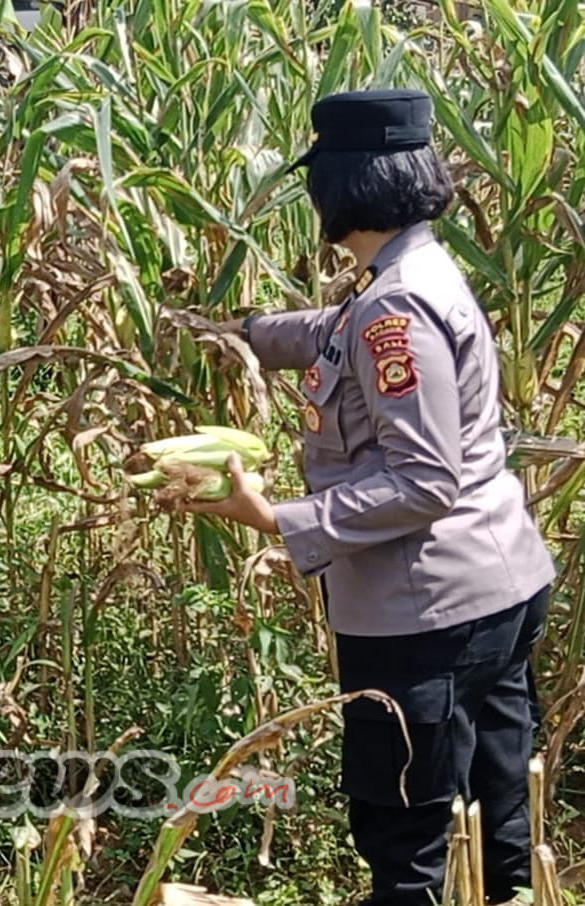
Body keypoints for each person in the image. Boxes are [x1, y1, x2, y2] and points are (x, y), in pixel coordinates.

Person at [176, 89, 556, 905]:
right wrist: (241, 337)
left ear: (344, 185)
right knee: (497, 816)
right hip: (496, 587)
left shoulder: (395, 304)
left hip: (426, 614)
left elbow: (424, 479)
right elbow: (331, 333)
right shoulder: (408, 273)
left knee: (406, 833)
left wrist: (277, 518)